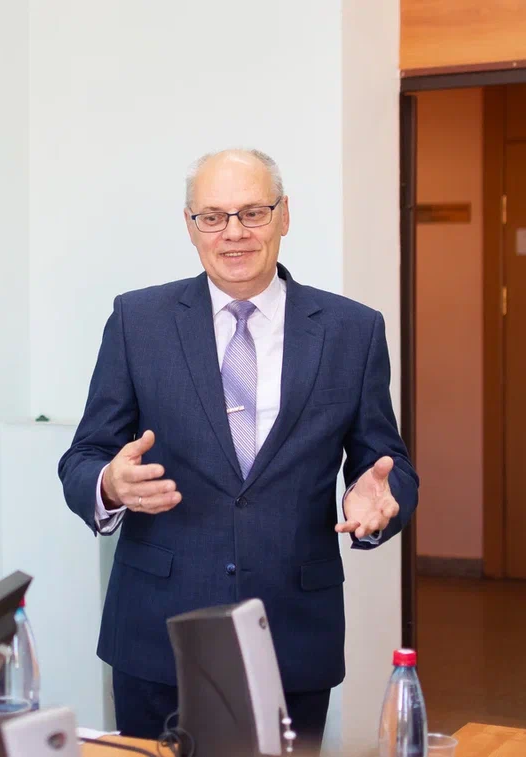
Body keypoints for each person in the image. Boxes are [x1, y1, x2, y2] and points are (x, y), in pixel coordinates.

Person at [58, 149, 419, 752]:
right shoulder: (137, 320)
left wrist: (380, 501)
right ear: (190, 224)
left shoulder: (352, 330)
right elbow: (84, 456)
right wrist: (109, 485)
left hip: (294, 632)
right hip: (157, 631)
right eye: (213, 217)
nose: (234, 233)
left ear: (284, 215)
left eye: (253, 212)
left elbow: (386, 463)